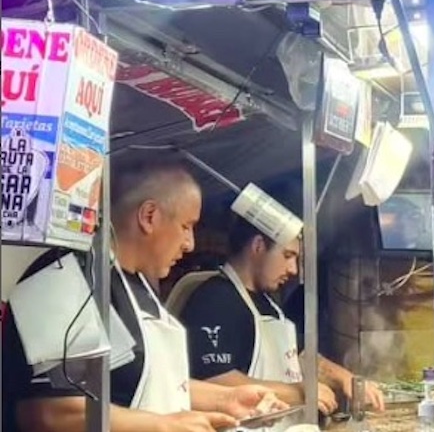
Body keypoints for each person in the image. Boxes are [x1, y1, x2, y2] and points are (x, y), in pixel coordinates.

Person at [1, 158, 285, 432]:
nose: (190, 244)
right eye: (186, 226)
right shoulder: (67, 276)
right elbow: (49, 413)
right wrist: (162, 426)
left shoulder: (141, 285)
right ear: (149, 216)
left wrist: (226, 399)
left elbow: (137, 384)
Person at [173, 215, 384, 423]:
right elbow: (216, 380)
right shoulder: (216, 300)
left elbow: (298, 355)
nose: (293, 269)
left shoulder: (268, 303)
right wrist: (300, 392)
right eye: (287, 255)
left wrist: (345, 378)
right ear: (258, 246)